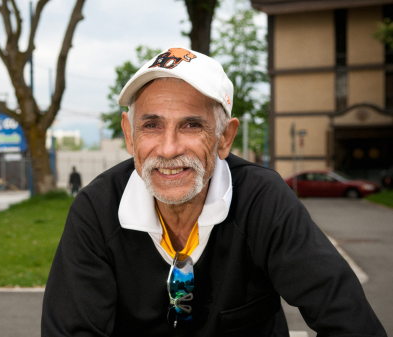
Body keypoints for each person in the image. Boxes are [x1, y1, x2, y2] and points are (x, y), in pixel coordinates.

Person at [42, 48, 386, 336]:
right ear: (129, 135)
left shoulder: (262, 199)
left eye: (191, 125)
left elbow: (348, 322)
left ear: (224, 137)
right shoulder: (96, 210)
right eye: (151, 125)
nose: (168, 148)